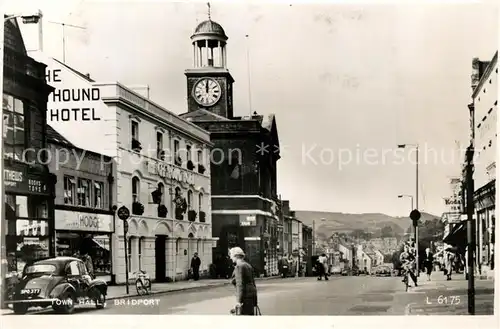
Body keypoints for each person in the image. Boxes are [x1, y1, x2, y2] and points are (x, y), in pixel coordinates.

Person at [229, 247, 258, 315]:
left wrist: (239, 301)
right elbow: (253, 283)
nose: (230, 258)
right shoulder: (248, 265)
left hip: (245, 298)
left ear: (235, 256)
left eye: (231, 255)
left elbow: (240, 284)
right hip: (251, 297)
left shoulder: (239, 266)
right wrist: (255, 301)